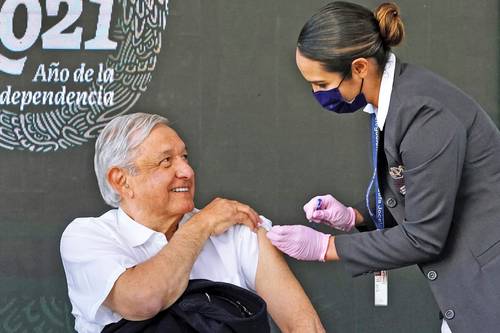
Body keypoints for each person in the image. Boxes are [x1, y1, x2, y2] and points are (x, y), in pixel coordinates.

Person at [266, 2, 500, 333]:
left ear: (359, 67)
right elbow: (422, 198)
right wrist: (355, 217)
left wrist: (325, 248)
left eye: (321, 84)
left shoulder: (424, 115)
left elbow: (424, 237)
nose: (316, 94)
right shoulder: (389, 103)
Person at [60, 113, 325, 333]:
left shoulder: (238, 230)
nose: (186, 171)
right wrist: (202, 225)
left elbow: (303, 325)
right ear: (121, 180)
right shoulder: (87, 237)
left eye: (184, 158)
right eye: (166, 161)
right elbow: (141, 300)